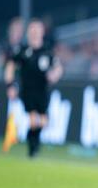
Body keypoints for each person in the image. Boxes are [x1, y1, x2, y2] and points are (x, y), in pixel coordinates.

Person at [4, 19, 63, 157]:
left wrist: (54, 75)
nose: (35, 32)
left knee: (43, 121)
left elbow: (58, 67)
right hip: (27, 91)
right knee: (33, 118)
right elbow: (10, 66)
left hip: (43, 91)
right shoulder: (23, 50)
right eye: (32, 29)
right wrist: (10, 85)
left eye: (37, 29)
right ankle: (33, 148)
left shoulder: (47, 51)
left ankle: (32, 139)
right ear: (28, 32)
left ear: (42, 32)